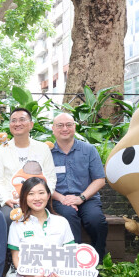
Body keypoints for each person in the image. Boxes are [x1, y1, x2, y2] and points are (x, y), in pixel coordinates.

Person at [0, 107, 57, 277]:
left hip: (38, 200)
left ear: (31, 124)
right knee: (6, 218)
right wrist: (6, 199)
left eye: (22, 119)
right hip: (12, 201)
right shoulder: (1, 150)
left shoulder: (42, 148)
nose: (17, 123)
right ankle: (13, 263)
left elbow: (50, 177)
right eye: (13, 120)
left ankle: (50, 263)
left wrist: (41, 197)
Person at [49, 113, 109, 269]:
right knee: (68, 217)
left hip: (87, 198)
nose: (64, 128)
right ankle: (75, 261)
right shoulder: (47, 152)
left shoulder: (88, 150)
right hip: (59, 199)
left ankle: (97, 260)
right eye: (60, 125)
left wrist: (81, 197)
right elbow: (42, 181)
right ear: (53, 129)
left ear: (74, 127)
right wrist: (62, 198)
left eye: (69, 125)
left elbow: (100, 179)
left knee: (96, 220)